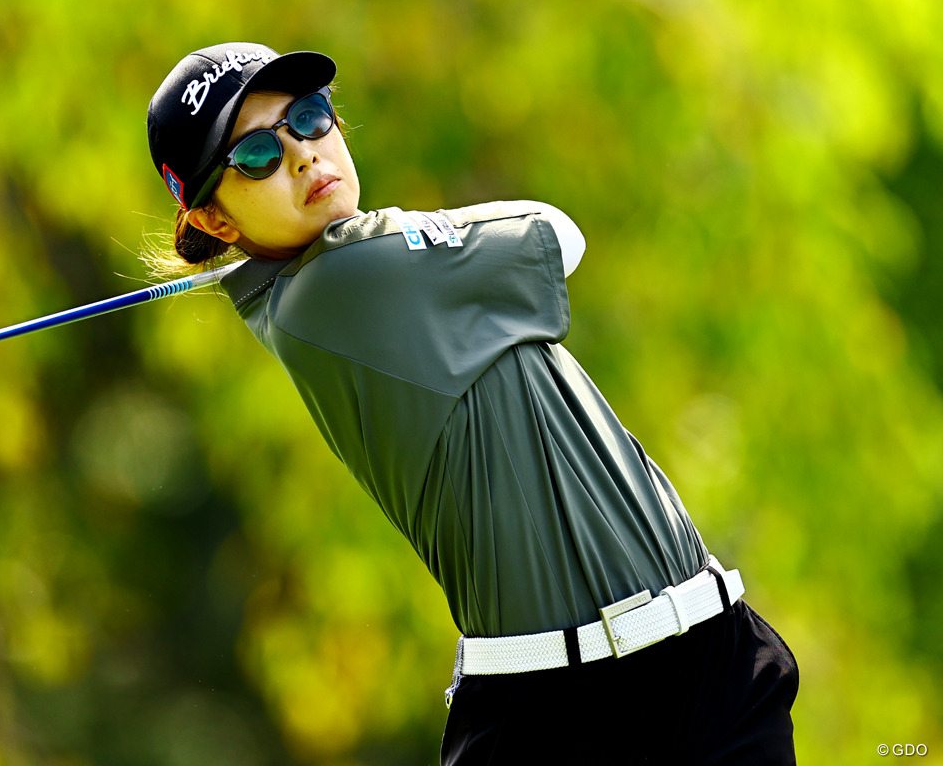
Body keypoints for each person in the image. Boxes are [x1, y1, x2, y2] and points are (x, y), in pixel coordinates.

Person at [146, 42, 799, 764]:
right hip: (564, 714)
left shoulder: (355, 266)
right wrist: (407, 232)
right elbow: (557, 231)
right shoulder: (333, 287)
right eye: (257, 157)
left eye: (309, 117)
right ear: (216, 222)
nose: (303, 155)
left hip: (714, 653)